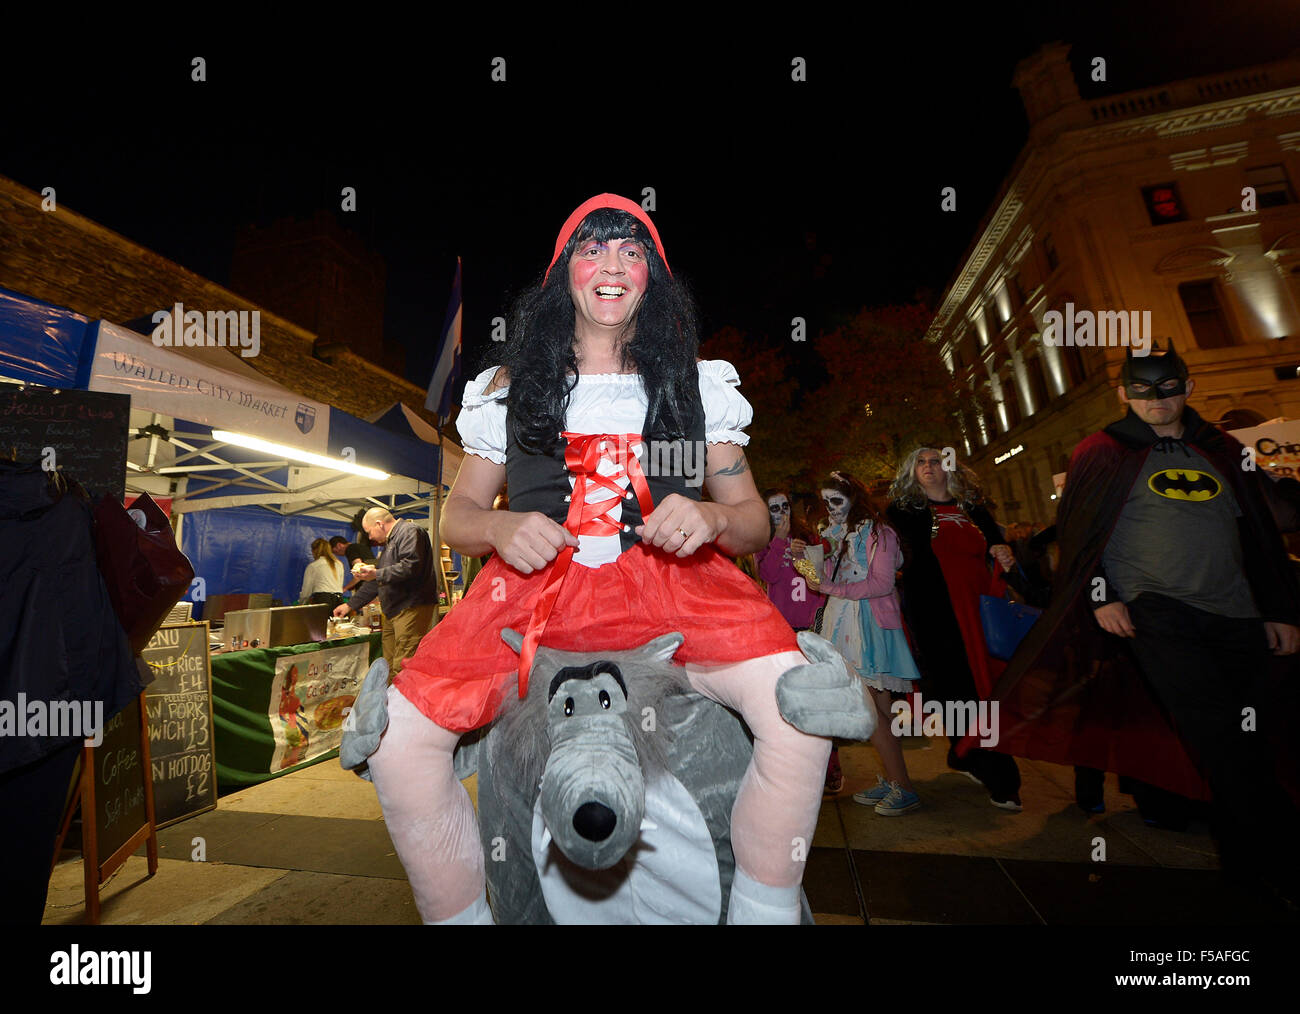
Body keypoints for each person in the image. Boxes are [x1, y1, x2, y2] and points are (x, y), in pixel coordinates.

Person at [353, 193, 865, 925]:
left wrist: (714, 516)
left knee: (801, 710)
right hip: (534, 595)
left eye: (632, 251)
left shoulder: (696, 386)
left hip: (676, 590)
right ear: (565, 271)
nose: (613, 265)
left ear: (652, 276)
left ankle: (763, 908)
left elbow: (754, 525)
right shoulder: (507, 389)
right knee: (398, 744)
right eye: (593, 249)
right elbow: (456, 519)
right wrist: (501, 531)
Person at [972, 342, 1300, 905]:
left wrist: (1279, 609)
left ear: (1188, 388)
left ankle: (1257, 865)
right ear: (1123, 393)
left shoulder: (1220, 448)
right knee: (1220, 737)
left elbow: (1262, 534)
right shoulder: (1101, 452)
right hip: (1158, 614)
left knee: (1258, 739)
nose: (1156, 400)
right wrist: (1103, 597)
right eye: (1142, 390)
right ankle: (1268, 871)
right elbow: (1079, 536)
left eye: (1168, 387)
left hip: (1238, 614)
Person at [887, 446, 1024, 810]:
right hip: (935, 613)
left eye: (936, 461)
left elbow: (997, 544)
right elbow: (894, 559)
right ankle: (996, 772)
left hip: (980, 610)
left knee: (984, 685)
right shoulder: (903, 512)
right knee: (959, 688)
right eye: (921, 462)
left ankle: (964, 754)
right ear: (911, 471)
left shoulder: (973, 508)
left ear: (949, 468)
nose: (929, 467)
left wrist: (1002, 550)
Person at [808, 471, 923, 815]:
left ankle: (903, 786)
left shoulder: (879, 533)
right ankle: (895, 780)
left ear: (855, 498)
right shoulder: (839, 535)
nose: (830, 507)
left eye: (837, 500)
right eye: (825, 500)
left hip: (867, 627)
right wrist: (816, 564)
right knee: (881, 709)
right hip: (846, 622)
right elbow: (833, 578)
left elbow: (882, 584)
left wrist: (831, 588)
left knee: (872, 711)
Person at [755, 488, 838, 789]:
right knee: (792, 696)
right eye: (773, 508)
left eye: (784, 506)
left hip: (813, 624)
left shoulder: (808, 537)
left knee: (819, 694)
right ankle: (798, 765)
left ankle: (831, 765)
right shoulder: (763, 541)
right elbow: (768, 574)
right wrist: (778, 541)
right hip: (783, 626)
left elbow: (819, 575)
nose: (781, 512)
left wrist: (810, 554)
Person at [333, 508, 439, 677]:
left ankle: (402, 702)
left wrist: (376, 573)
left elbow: (411, 566)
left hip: (410, 607)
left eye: (369, 532)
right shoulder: (390, 543)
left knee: (403, 665)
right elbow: (378, 580)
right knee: (388, 665)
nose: (370, 538)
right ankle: (388, 701)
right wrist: (349, 605)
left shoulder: (409, 531)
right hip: (394, 610)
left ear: (379, 524)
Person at [301, 537, 346, 607]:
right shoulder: (339, 564)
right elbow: (340, 585)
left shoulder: (313, 566)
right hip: (338, 600)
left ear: (314, 551)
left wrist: (302, 603)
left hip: (322, 600)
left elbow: (306, 590)